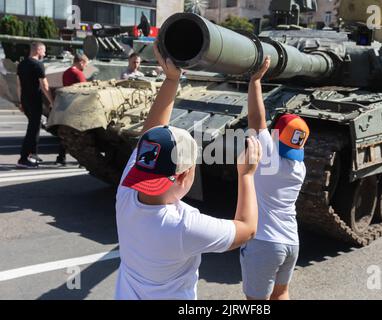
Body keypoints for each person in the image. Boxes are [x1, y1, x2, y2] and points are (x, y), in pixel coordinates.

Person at [114, 44, 262, 300]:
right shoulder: (183, 227)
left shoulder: (127, 191)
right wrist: (246, 175)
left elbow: (149, 134)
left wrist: (172, 80)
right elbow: (247, 230)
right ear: (185, 176)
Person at [240, 56, 310, 300]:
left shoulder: (269, 157)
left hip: (265, 242)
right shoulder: (299, 168)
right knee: (281, 294)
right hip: (291, 242)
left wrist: (256, 80)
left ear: (276, 133)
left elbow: (256, 119)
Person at [16, 42, 54, 169]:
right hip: (34, 100)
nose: (45, 53)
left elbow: (18, 85)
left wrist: (20, 102)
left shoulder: (22, 64)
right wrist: (52, 102)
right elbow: (45, 86)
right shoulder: (38, 64)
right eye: (44, 50)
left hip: (25, 100)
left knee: (35, 127)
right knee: (33, 130)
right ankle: (23, 158)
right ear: (38, 50)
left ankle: (33, 154)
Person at [56, 53, 90, 166]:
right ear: (81, 62)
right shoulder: (78, 73)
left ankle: (61, 157)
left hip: (66, 106)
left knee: (66, 134)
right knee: (81, 135)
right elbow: (85, 90)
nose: (86, 67)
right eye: (85, 64)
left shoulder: (66, 72)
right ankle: (82, 160)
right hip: (77, 107)